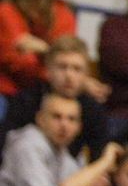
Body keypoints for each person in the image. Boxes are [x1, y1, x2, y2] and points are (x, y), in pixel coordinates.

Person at [0, 33, 111, 164]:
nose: (69, 75)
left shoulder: (93, 111)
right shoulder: (26, 100)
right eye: (62, 67)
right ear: (48, 70)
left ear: (86, 74)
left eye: (76, 69)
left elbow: (98, 156)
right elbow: (6, 145)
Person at [0, 0, 79, 98]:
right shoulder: (6, 11)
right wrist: (52, 59)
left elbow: (66, 57)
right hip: (9, 89)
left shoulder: (64, 14)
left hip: (49, 88)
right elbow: (20, 63)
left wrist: (44, 49)